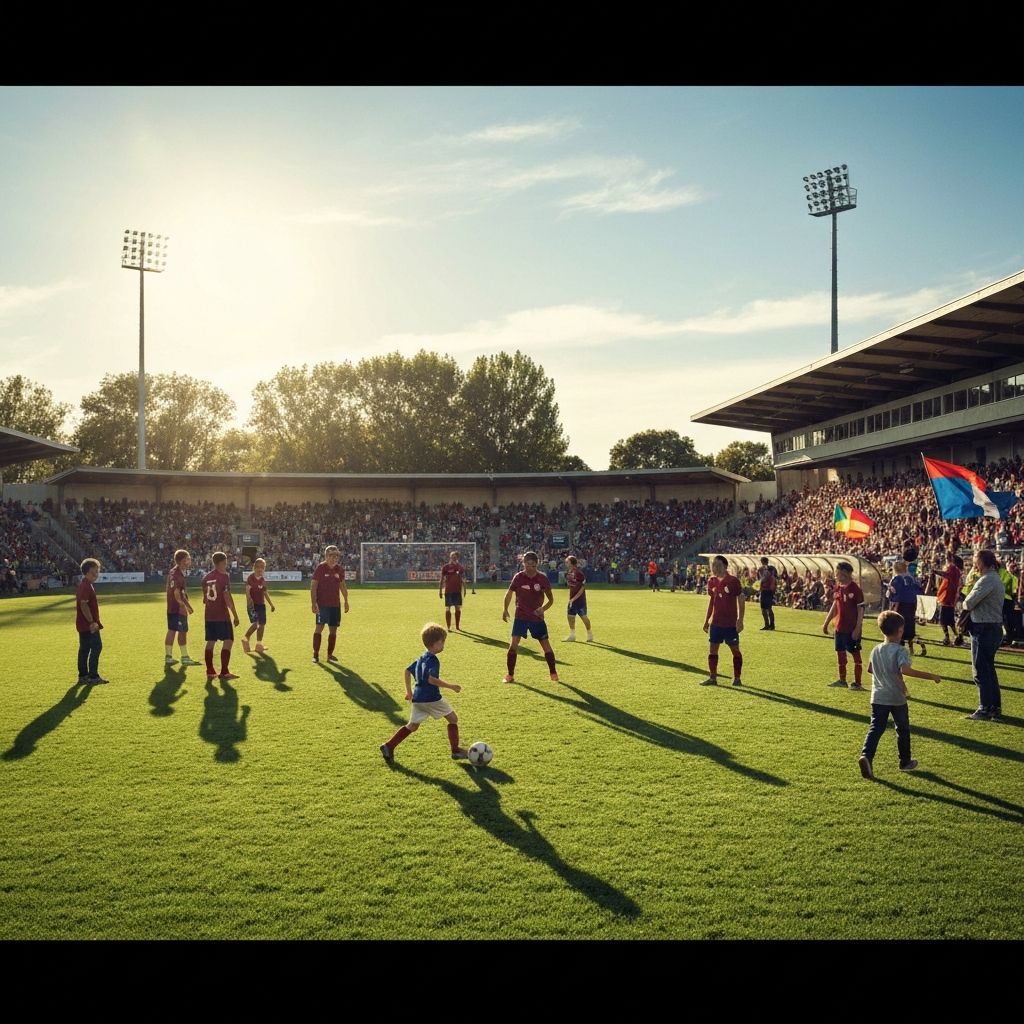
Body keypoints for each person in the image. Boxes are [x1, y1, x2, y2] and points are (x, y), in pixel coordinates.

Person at [858, 610, 940, 779]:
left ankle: (866, 756)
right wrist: (930, 676)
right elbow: (905, 670)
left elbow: (870, 670)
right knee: (902, 729)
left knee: (876, 728)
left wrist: (887, 674)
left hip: (878, 697)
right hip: (896, 698)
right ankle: (905, 761)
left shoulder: (876, 649)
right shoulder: (900, 651)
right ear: (901, 630)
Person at [379, 622, 468, 764]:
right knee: (453, 719)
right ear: (434, 644)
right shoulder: (433, 660)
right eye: (442, 641)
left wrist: (409, 692)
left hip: (418, 699)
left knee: (412, 726)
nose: (444, 644)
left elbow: (407, 671)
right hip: (432, 698)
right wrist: (451, 686)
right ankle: (456, 750)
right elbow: (432, 680)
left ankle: (388, 746)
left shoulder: (421, 658)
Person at [961, 549, 1005, 720]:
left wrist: (970, 584)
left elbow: (968, 602)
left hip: (983, 627)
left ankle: (985, 708)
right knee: (989, 668)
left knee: (980, 669)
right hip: (992, 626)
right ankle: (994, 706)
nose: (974, 564)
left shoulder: (987, 580)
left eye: (975, 561)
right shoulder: (995, 578)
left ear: (982, 562)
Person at [502, 550, 558, 683]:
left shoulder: (542, 578)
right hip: (520, 616)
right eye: (527, 564)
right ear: (523, 563)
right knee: (513, 645)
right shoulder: (518, 577)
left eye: (533, 565)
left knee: (546, 645)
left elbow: (551, 600)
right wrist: (504, 609)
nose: (530, 567)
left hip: (536, 618)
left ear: (537, 564)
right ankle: (510, 675)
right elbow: (509, 593)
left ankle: (553, 672)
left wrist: (542, 609)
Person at [700, 555, 744, 686]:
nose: (715, 568)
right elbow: (712, 601)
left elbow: (741, 599)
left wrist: (740, 620)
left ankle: (737, 677)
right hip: (716, 623)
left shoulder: (733, 581)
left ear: (725, 566)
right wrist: (707, 620)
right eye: (713, 565)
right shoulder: (711, 581)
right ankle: (712, 677)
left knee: (735, 650)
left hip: (730, 624)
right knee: (713, 650)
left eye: (718, 565)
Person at [823, 561, 865, 689]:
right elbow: (835, 605)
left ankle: (857, 683)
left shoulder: (855, 589)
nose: (835, 575)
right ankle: (842, 681)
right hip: (839, 627)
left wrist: (858, 628)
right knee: (840, 653)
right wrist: (826, 622)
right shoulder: (838, 587)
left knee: (855, 654)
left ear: (845, 573)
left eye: (837, 573)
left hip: (851, 628)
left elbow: (861, 610)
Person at [203, 551, 240, 681]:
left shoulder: (206, 578)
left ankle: (210, 671)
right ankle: (224, 672)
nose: (227, 565)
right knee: (228, 640)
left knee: (210, 641)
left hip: (209, 615)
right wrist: (235, 614)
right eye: (225, 563)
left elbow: (204, 599)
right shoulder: (224, 576)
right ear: (221, 563)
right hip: (221, 615)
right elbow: (227, 597)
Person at [310, 544, 349, 664]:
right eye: (331, 556)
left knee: (333, 630)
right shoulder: (320, 568)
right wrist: (313, 603)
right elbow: (313, 586)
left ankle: (329, 655)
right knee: (319, 628)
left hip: (335, 605)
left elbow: (342, 586)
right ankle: (315, 655)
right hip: (322, 605)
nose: (334, 558)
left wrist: (346, 601)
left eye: (336, 556)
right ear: (326, 556)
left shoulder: (339, 569)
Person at [164, 548, 201, 667]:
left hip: (171, 607)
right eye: (188, 558)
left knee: (171, 630)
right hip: (177, 608)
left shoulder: (173, 571)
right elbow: (176, 592)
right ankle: (185, 657)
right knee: (182, 631)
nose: (190, 560)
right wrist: (183, 606)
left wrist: (188, 606)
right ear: (182, 560)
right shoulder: (178, 575)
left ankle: (168, 657)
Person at [75, 557, 107, 684]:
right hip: (88, 625)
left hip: (83, 624)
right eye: (95, 570)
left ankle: (83, 676)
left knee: (84, 649)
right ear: (88, 571)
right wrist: (92, 622)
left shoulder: (86, 584)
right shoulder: (86, 586)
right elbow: (83, 604)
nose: (97, 573)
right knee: (96, 646)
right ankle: (93, 676)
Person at [887, 561, 926, 657]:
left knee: (898, 626)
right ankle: (911, 648)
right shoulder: (912, 578)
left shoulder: (896, 579)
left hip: (900, 604)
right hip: (911, 604)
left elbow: (892, 592)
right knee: (909, 625)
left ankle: (899, 649)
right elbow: (919, 589)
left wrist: (890, 592)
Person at [242, 557, 276, 654]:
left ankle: (259, 644)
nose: (260, 569)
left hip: (261, 605)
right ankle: (245, 638)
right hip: (253, 605)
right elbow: (247, 591)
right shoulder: (251, 578)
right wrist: (249, 602)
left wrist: (271, 604)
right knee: (256, 624)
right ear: (254, 568)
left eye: (263, 567)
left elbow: (265, 593)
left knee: (262, 624)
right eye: (259, 567)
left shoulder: (263, 580)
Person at [931, 553, 963, 647]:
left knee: (943, 620)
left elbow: (946, 575)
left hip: (947, 596)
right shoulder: (955, 569)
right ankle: (956, 637)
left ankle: (948, 637)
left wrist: (936, 571)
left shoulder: (952, 568)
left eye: (946, 558)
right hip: (949, 597)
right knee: (949, 620)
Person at [563, 554, 593, 642]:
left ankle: (589, 633)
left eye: (567, 561)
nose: (566, 563)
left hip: (580, 600)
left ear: (572, 563)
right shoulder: (569, 572)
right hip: (572, 599)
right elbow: (571, 584)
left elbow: (582, 588)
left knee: (584, 617)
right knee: (570, 616)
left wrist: (574, 598)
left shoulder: (579, 573)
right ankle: (572, 635)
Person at [438, 550, 467, 631]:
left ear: (457, 558)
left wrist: (465, 589)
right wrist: (440, 591)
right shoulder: (445, 567)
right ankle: (449, 627)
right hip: (448, 591)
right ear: (450, 557)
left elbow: (462, 579)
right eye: (452, 556)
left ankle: (457, 626)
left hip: (457, 591)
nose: (454, 558)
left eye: (455, 557)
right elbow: (441, 580)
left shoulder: (460, 567)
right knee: (448, 608)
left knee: (458, 608)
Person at [757, 556, 777, 630]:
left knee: (763, 609)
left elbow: (759, 580)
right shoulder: (773, 569)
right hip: (770, 591)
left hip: (764, 590)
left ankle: (767, 625)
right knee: (769, 608)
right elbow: (775, 579)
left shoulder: (761, 570)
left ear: (762, 562)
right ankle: (772, 625)